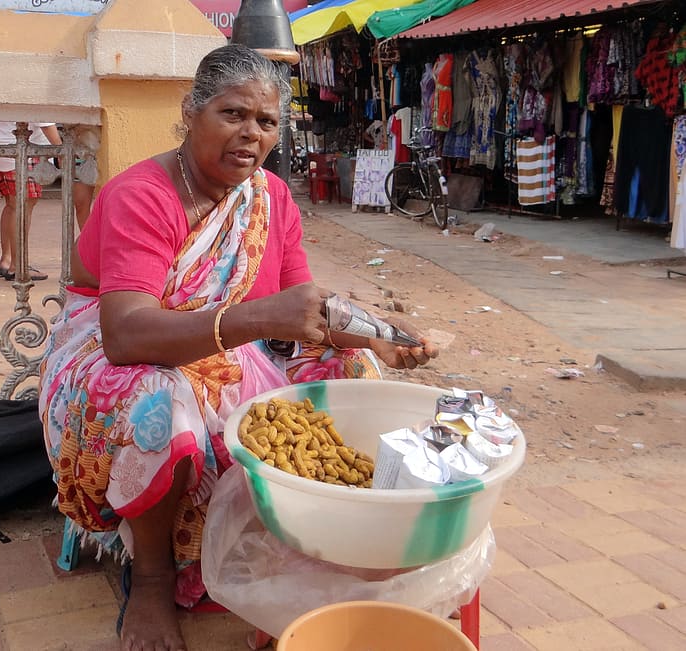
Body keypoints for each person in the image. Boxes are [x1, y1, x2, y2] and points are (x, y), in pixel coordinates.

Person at [39, 44, 437, 651]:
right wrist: (252, 319)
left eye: (268, 122)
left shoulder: (270, 197)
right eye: (233, 115)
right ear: (191, 112)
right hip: (114, 347)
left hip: (227, 341)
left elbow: (306, 307)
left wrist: (385, 334)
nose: (251, 134)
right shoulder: (143, 194)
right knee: (158, 399)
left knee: (353, 366)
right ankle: (151, 578)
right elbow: (126, 335)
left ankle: (314, 538)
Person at [0, 121, 59, 281]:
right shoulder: (38, 94)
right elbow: (45, 121)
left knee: (12, 205)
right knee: (23, 207)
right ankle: (18, 265)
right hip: (22, 151)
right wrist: (62, 151)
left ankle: (7, 260)